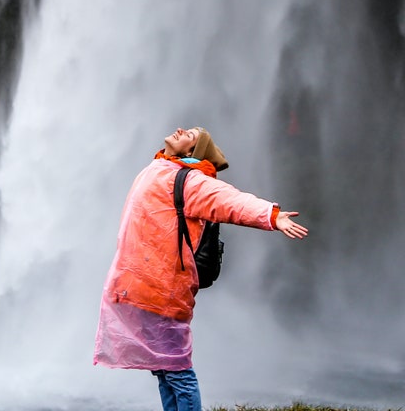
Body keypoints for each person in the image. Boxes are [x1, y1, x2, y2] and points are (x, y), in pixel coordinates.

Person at [93, 126, 309, 411]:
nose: (182, 130)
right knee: (162, 369)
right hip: (138, 285)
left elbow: (231, 201)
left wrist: (272, 215)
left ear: (192, 152)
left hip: (163, 289)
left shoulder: (191, 181)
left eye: (191, 135)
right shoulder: (158, 168)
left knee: (177, 371)